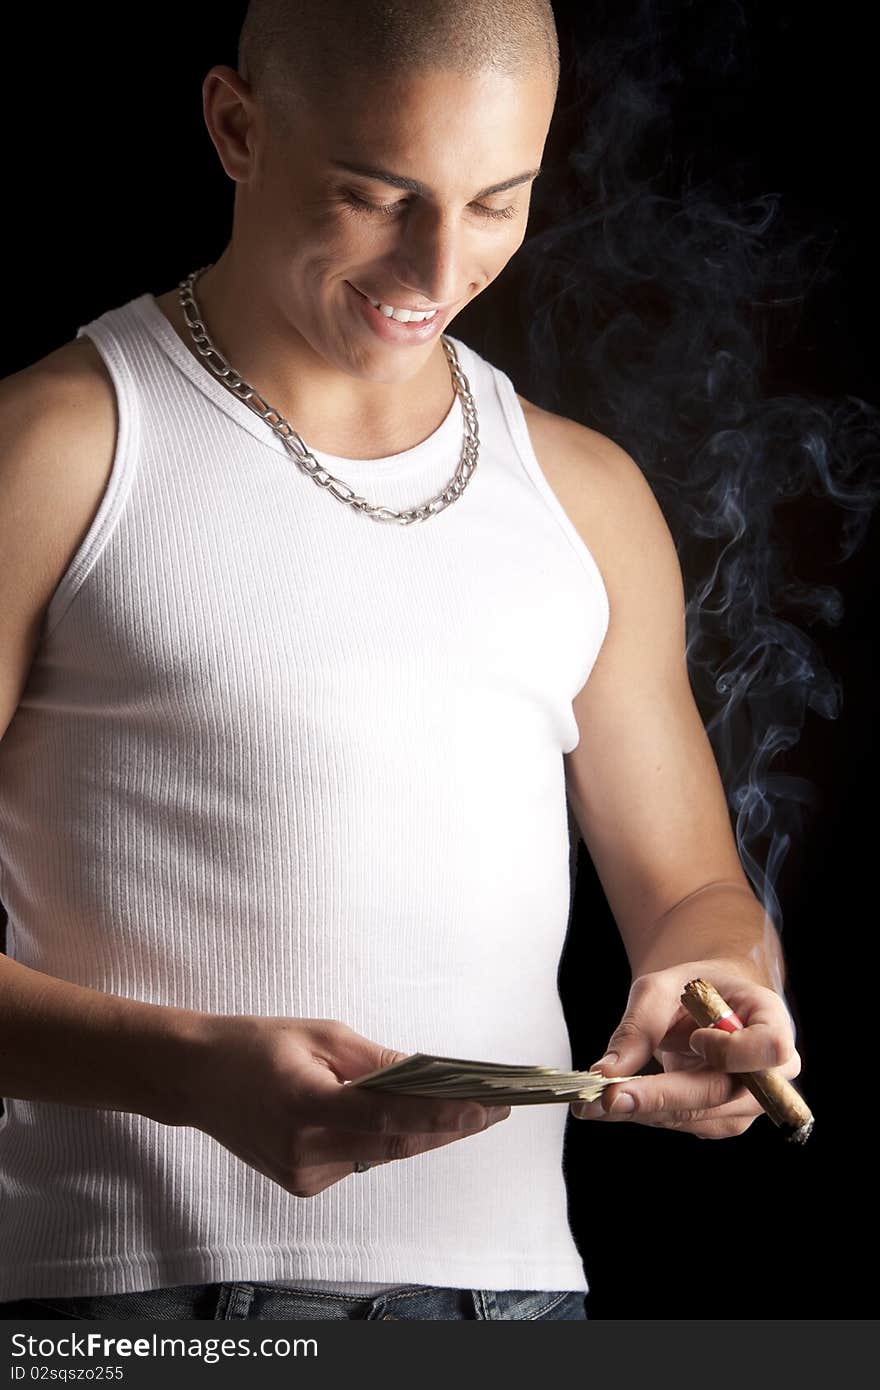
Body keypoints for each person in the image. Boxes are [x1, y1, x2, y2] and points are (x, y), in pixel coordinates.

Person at [0, 0, 801, 1323]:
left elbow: (696, 892)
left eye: (499, 202)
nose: (438, 264)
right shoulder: (59, 450)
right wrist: (188, 1070)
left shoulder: (585, 495)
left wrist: (717, 984)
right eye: (379, 196)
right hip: (143, 1306)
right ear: (237, 127)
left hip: (522, 1307)